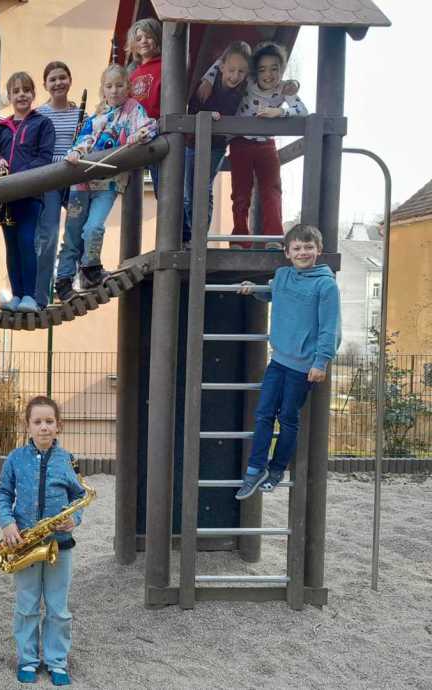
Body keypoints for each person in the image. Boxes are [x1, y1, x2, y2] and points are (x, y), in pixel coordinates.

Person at [234, 225, 340, 500]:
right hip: (279, 359)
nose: (303, 252)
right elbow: (271, 294)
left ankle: (277, 468)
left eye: (308, 247)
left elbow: (330, 327)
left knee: (288, 418)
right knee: (263, 413)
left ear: (318, 250)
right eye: (297, 248)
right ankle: (255, 468)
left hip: (304, 365)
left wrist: (322, 362)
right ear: (287, 252)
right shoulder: (282, 276)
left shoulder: (325, 284)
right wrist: (253, 288)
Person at [0, 395, 85, 687]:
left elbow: (79, 497)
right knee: (27, 606)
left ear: (59, 426)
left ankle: (57, 661)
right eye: (38, 422)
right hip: (25, 544)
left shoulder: (67, 460)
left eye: (50, 422)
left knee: (58, 608)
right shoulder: (15, 459)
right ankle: (28, 660)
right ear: (28, 425)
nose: (44, 427)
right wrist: (8, 523)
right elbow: (4, 494)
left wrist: (75, 519)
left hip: (61, 544)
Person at [54, 63, 155, 302]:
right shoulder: (96, 116)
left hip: (109, 182)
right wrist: (77, 152)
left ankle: (90, 269)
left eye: (120, 85)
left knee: (94, 226)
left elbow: (147, 128)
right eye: (109, 86)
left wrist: (137, 136)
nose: (115, 90)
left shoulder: (133, 110)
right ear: (103, 89)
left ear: (128, 87)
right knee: (73, 233)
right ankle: (64, 279)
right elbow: (85, 139)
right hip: (83, 182)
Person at [200, 42, 307, 246]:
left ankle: (274, 237)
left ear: (282, 70)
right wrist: (207, 80)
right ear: (255, 72)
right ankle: (240, 237)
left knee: (272, 189)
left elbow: (303, 111)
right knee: (241, 192)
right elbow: (220, 62)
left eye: (274, 69)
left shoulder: (284, 89)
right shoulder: (247, 81)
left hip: (266, 144)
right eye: (262, 69)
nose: (268, 75)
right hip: (241, 143)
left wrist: (280, 112)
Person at [0, 71, 55, 313]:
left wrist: (21, 177)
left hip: (30, 194)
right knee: (11, 246)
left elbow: (44, 157)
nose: (21, 95)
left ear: (33, 94)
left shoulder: (42, 123)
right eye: (16, 91)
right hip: (6, 197)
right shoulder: (1, 127)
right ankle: (17, 295)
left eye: (26, 90)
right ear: (9, 96)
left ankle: (30, 294)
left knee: (27, 241)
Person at [182, 41, 251, 244]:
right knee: (187, 191)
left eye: (241, 72)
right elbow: (193, 109)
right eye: (231, 70)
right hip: (192, 142)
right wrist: (208, 80)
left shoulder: (242, 92)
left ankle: (199, 237)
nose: (235, 76)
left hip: (216, 145)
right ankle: (187, 237)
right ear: (221, 67)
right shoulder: (206, 85)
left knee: (202, 188)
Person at [35, 61, 83, 309]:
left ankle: (73, 280)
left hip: (75, 174)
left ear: (70, 80)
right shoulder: (40, 114)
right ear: (45, 85)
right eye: (52, 79)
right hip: (51, 177)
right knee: (49, 235)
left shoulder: (79, 114)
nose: (58, 83)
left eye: (62, 78)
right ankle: (41, 296)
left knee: (79, 228)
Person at [126, 17, 162, 196]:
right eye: (139, 38)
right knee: (130, 187)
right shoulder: (133, 73)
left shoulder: (165, 65)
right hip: (135, 133)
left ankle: (176, 224)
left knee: (163, 189)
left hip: (157, 131)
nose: (144, 41)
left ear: (157, 38)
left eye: (148, 36)